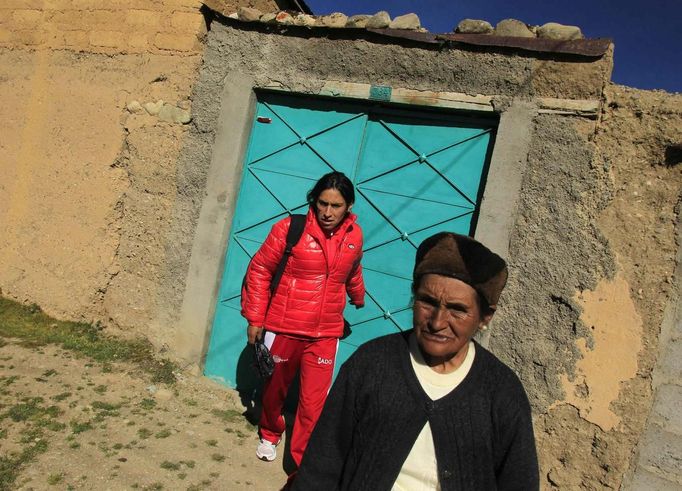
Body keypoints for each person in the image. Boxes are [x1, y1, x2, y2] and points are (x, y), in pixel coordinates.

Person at [292, 232, 539, 490]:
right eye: (427, 302)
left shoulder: (501, 392)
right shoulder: (370, 364)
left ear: (485, 317)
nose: (437, 322)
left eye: (457, 309)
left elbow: (520, 481)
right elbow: (322, 463)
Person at [241, 171, 365, 470]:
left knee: (314, 402)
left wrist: (357, 295)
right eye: (322, 203)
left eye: (336, 206)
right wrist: (255, 317)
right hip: (285, 326)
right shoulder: (289, 229)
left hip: (325, 332)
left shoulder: (355, 235)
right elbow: (259, 271)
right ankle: (270, 432)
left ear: (348, 206)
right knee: (274, 390)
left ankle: (301, 465)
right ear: (314, 201)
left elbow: (352, 269)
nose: (327, 212)